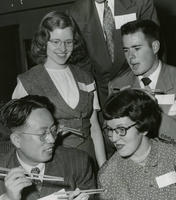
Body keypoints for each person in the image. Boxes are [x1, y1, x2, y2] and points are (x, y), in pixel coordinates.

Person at [12, 11, 106, 167]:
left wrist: (103, 167)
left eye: (68, 42)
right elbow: (17, 132)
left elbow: (95, 128)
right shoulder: (28, 81)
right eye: (55, 42)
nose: (63, 48)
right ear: (43, 42)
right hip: (52, 164)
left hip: (89, 160)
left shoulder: (86, 77)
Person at [108, 19, 176, 150]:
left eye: (137, 48)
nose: (130, 57)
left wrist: (153, 115)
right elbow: (109, 140)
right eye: (126, 50)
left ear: (155, 47)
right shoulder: (116, 85)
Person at [98, 89, 176, 200]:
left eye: (121, 129)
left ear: (144, 128)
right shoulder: (108, 174)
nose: (114, 138)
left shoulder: (172, 154)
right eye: (110, 130)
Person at [0, 95, 96, 200]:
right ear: (17, 140)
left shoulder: (78, 161)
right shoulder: (3, 169)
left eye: (53, 130)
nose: (52, 140)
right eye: (42, 134)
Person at [66, 0, 159, 107]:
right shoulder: (75, 13)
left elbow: (153, 50)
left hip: (140, 86)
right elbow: (82, 64)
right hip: (102, 93)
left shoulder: (140, 3)